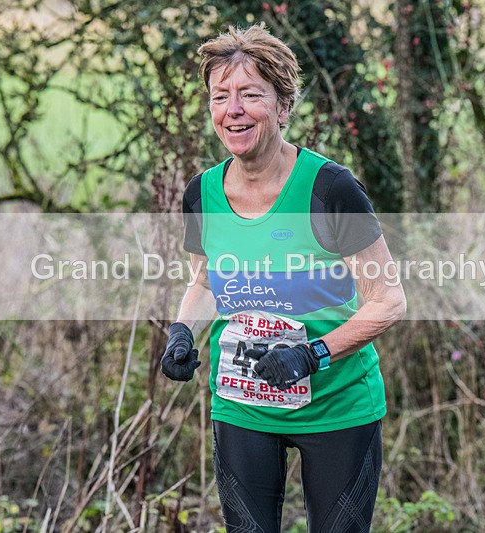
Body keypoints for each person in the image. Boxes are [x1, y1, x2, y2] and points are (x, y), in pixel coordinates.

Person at [160, 23, 406, 533]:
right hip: (242, 405)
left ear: (283, 107)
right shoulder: (201, 194)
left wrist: (309, 355)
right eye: (220, 96)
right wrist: (183, 331)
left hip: (336, 405)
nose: (234, 110)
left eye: (251, 95)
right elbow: (206, 283)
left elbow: (387, 301)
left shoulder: (330, 189)